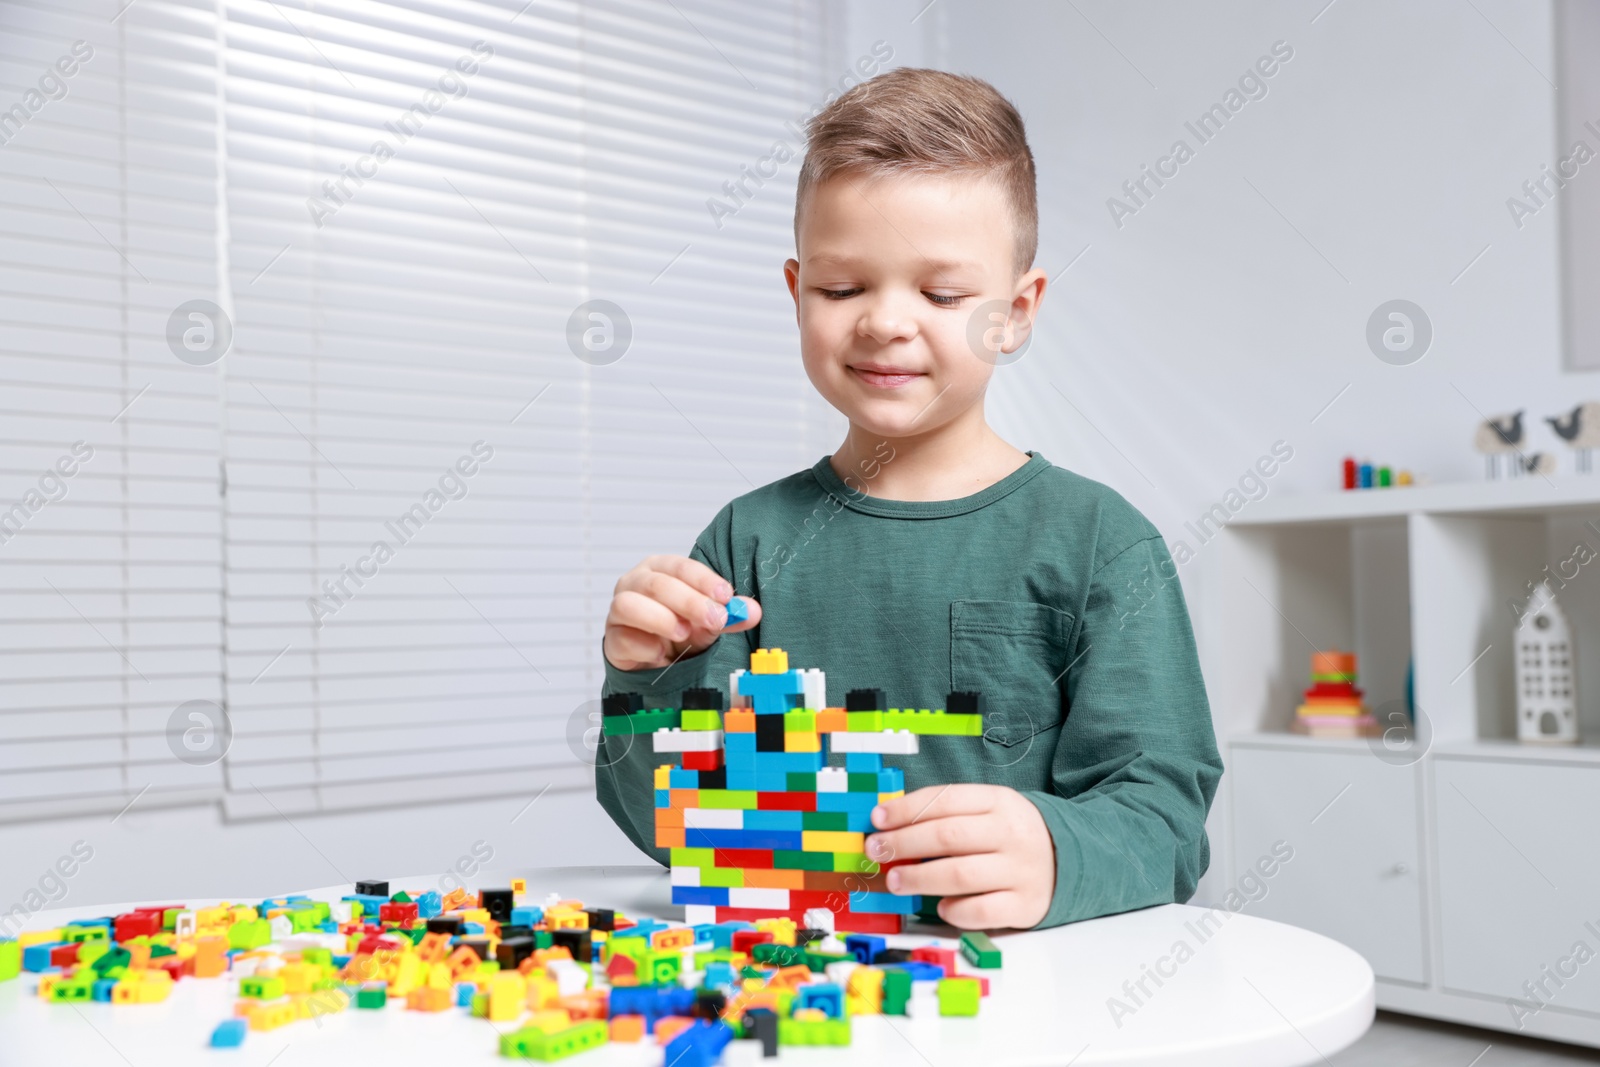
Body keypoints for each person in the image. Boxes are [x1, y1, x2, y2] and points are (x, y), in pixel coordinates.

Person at [598, 67, 1222, 930]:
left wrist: (1056, 850)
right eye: (843, 287)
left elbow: (1164, 817)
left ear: (1016, 312)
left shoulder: (1099, 542)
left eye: (941, 293)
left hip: (1023, 1000)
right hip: (796, 988)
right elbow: (674, 828)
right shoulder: (743, 540)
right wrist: (646, 676)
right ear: (796, 294)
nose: (887, 322)